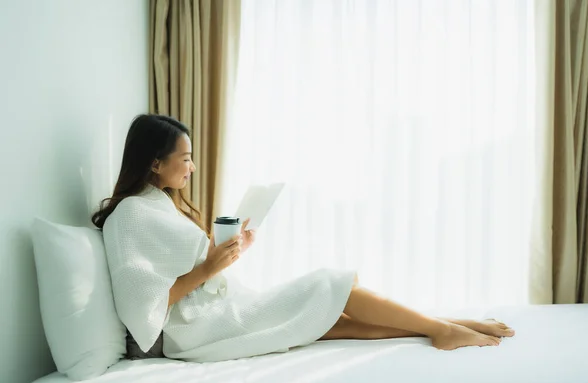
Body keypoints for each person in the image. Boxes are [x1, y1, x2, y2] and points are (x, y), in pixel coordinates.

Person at [93, 114, 515, 363]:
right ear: (154, 162)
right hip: (197, 329)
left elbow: (185, 271)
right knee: (330, 287)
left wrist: (228, 254)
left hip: (217, 309)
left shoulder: (158, 204)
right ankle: (441, 329)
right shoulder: (128, 216)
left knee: (326, 321)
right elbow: (143, 304)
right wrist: (209, 266)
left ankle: (442, 326)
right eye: (185, 159)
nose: (192, 167)